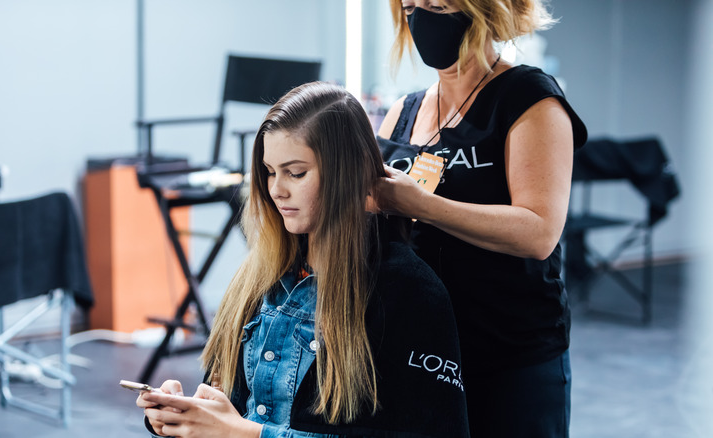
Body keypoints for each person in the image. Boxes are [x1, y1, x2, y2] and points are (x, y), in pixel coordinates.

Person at [136, 81, 470, 437]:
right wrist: (185, 416)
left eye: (295, 173)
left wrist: (243, 434)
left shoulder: (409, 291)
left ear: (347, 172)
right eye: (269, 172)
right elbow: (227, 407)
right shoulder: (258, 277)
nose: (277, 189)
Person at [373, 1, 588, 438]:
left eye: (436, 5)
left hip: (509, 352)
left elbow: (538, 232)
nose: (420, 18)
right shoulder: (403, 114)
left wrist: (420, 204)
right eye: (411, 6)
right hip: (417, 348)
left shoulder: (529, 99)